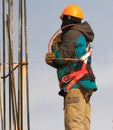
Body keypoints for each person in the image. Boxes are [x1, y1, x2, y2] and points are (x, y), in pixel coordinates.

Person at [45, 4, 97, 130]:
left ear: (68, 19)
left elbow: (61, 57)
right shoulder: (82, 35)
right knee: (82, 126)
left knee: (74, 125)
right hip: (84, 87)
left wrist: (55, 48)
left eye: (63, 20)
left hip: (75, 87)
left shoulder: (73, 34)